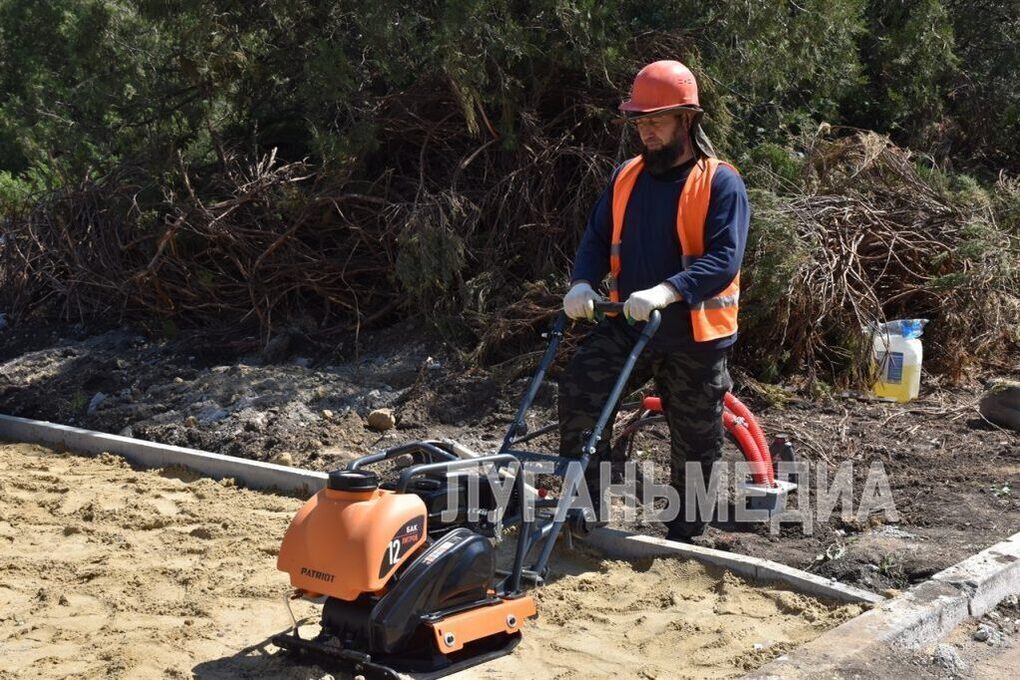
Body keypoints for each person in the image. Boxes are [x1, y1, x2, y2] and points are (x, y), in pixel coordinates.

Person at [559, 60, 749, 542]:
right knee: (581, 392)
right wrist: (582, 282)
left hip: (694, 335)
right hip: (629, 324)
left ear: (686, 119)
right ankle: (583, 515)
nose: (645, 130)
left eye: (656, 120)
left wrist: (668, 290)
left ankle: (685, 536)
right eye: (639, 121)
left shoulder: (719, 182)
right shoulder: (627, 176)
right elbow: (596, 237)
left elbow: (724, 259)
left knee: (695, 439)